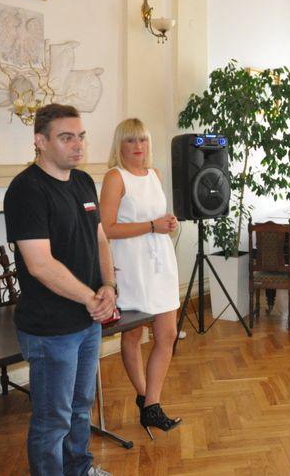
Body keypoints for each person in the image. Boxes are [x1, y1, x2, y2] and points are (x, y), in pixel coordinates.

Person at [4, 103, 116, 476]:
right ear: (40, 141)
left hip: (87, 320)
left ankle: (79, 469)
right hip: (50, 328)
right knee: (53, 419)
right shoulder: (26, 190)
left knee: (81, 407)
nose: (78, 145)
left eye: (80, 136)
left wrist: (109, 286)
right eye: (66, 137)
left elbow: (100, 239)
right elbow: (40, 264)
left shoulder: (82, 182)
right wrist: (91, 298)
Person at [99, 118, 182, 439]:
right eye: (131, 141)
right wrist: (151, 226)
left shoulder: (155, 175)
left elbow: (156, 219)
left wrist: (167, 223)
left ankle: (151, 403)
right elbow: (106, 229)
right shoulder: (115, 177)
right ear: (119, 145)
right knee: (133, 336)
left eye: (143, 140)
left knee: (167, 334)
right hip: (130, 265)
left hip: (160, 262)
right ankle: (146, 397)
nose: (138, 147)